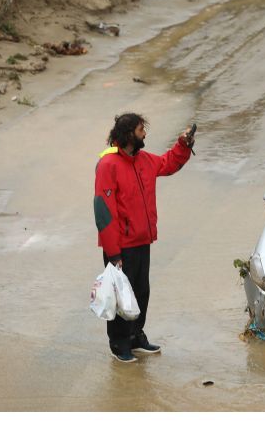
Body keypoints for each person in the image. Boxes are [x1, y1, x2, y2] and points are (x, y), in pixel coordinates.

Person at [93, 113, 195, 363]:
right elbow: (103, 212)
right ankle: (119, 344)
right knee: (120, 297)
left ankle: (136, 337)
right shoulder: (108, 165)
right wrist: (113, 252)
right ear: (128, 135)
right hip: (120, 247)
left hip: (142, 241)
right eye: (141, 130)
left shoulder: (143, 160)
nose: (144, 134)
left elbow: (168, 163)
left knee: (141, 293)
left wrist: (183, 145)